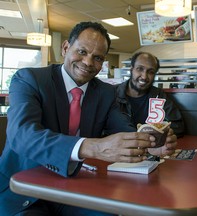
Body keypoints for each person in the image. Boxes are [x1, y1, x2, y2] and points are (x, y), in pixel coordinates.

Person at [0, 22, 177, 216]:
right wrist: (92, 147)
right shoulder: (29, 79)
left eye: (97, 58)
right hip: (22, 189)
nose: (88, 62)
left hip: (74, 187)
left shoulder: (105, 92)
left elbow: (124, 129)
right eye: (82, 52)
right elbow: (22, 136)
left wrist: (149, 143)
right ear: (65, 47)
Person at [115, 51, 185, 138]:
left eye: (151, 72)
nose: (144, 76)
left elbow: (177, 126)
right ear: (131, 69)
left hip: (151, 147)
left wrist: (166, 132)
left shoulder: (159, 96)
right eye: (140, 69)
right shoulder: (112, 94)